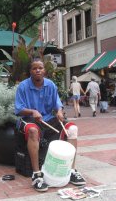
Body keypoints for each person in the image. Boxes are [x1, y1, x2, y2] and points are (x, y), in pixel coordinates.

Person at [15, 59, 86, 192]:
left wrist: (59, 111)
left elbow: (57, 103)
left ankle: (71, 171)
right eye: (34, 68)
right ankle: (36, 174)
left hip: (48, 118)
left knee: (72, 129)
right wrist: (32, 111)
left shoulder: (50, 85)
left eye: (40, 68)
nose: (38, 70)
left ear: (44, 71)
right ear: (30, 71)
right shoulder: (23, 86)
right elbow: (18, 109)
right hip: (29, 119)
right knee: (32, 131)